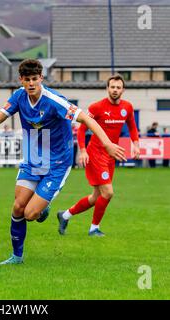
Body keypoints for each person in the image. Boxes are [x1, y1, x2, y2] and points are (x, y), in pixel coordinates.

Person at [0, 59, 126, 265]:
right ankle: (16, 257)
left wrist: (107, 144)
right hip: (33, 160)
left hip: (57, 164)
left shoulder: (55, 101)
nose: (31, 83)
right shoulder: (18, 96)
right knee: (18, 207)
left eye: (34, 79)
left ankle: (43, 209)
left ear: (41, 78)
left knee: (30, 213)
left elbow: (87, 120)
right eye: (26, 79)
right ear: (21, 80)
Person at [57, 74, 140, 237]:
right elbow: (82, 129)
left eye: (118, 87)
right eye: (112, 87)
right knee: (108, 193)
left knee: (96, 196)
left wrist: (135, 144)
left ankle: (65, 215)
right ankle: (94, 228)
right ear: (107, 88)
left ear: (123, 90)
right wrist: (82, 150)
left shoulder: (127, 107)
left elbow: (132, 126)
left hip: (110, 156)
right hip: (95, 154)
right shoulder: (97, 107)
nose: (115, 90)